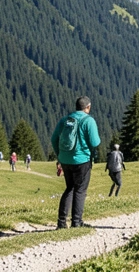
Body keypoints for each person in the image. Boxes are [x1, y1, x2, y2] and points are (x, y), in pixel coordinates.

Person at [52, 96, 102, 228]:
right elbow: (95, 142)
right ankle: (76, 222)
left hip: (65, 160)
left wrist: (60, 155)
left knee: (69, 188)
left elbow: (53, 139)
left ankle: (61, 222)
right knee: (80, 190)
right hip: (82, 160)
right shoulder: (88, 121)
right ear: (88, 107)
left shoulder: (65, 120)